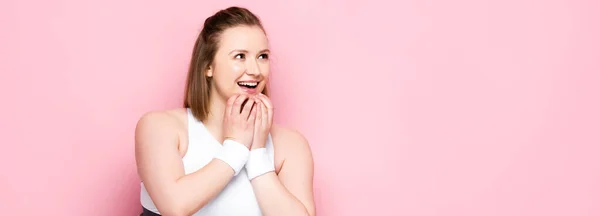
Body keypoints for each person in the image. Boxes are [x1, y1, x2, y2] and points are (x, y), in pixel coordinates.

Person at [134, 6, 316, 216]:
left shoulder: (291, 144)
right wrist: (236, 147)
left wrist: (257, 155)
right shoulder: (160, 127)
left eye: (262, 56)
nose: (255, 71)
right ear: (208, 66)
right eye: (240, 56)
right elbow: (176, 207)